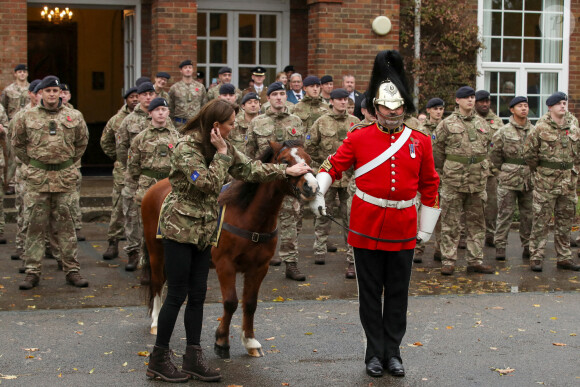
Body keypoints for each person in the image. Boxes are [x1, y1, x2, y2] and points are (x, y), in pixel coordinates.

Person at [147, 99, 311, 382]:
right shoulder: (187, 148)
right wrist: (223, 153)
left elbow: (251, 170)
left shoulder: (224, 148)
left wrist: (286, 171)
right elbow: (208, 183)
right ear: (216, 126)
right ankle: (159, 359)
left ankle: (193, 356)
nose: (235, 128)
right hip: (179, 229)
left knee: (198, 296)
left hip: (205, 230)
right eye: (231, 124)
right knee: (177, 294)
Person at [309, 50, 439, 377]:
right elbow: (333, 165)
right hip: (366, 225)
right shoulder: (359, 136)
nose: (393, 114)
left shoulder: (420, 141)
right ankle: (373, 354)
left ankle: (393, 352)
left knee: (397, 294)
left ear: (404, 108)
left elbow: (430, 183)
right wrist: (319, 191)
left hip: (404, 226)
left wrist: (426, 226)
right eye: (386, 109)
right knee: (369, 295)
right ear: (375, 109)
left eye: (398, 109)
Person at [12, 76, 89, 290]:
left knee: (67, 227)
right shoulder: (26, 116)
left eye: (56, 90)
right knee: (34, 227)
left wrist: (67, 163)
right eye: (48, 91)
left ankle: (72, 271)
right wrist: (33, 164)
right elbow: (16, 143)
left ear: (61, 93)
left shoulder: (74, 116)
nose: (52, 94)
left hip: (64, 179)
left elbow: (82, 143)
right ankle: (32, 272)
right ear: (41, 93)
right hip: (38, 179)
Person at [245, 82, 306, 279]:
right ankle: (256, 260)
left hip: (287, 182)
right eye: (275, 94)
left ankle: (291, 263)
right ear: (268, 98)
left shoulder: (296, 121)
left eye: (282, 94)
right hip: (265, 182)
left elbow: (301, 153)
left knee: (290, 221)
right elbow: (250, 153)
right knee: (259, 222)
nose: (279, 97)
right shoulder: (257, 122)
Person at [432, 86, 495, 276]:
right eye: (466, 97)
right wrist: (449, 169)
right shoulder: (446, 124)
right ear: (457, 101)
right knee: (450, 222)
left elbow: (488, 149)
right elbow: (437, 152)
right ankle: (448, 260)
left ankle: (475, 260)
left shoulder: (483, 124)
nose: (470, 100)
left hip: (477, 181)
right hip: (454, 180)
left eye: (472, 97)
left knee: (476, 222)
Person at [523, 92, 580, 272]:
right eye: (558, 103)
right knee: (541, 220)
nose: (563, 106)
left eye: (564, 103)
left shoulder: (574, 127)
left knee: (565, 221)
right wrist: (542, 170)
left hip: (568, 182)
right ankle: (537, 256)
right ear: (550, 107)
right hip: (546, 182)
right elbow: (530, 154)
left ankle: (564, 256)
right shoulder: (540, 127)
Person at [306, 88, 359, 276]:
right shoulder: (321, 122)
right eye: (340, 99)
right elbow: (310, 145)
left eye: (346, 99)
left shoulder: (355, 123)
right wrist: (322, 166)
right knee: (322, 212)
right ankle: (320, 249)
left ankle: (352, 257)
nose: (343, 102)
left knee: (351, 217)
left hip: (350, 177)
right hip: (328, 175)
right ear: (332, 101)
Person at [117, 81, 157, 271]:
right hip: (135, 177)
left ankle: (150, 256)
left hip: (157, 178)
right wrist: (133, 168)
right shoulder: (128, 120)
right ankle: (133, 253)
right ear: (138, 97)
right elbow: (121, 148)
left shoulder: (162, 117)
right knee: (132, 217)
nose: (148, 97)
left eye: (151, 94)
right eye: (144, 94)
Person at [489, 96, 534, 261]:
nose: (524, 109)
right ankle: (500, 245)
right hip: (508, 179)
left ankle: (528, 246)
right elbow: (493, 155)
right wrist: (499, 173)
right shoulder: (503, 131)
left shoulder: (534, 131)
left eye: (526, 106)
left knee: (528, 215)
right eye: (520, 106)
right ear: (512, 110)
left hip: (528, 180)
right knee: (505, 214)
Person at [100, 86, 139, 260]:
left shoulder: (149, 117)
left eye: (138, 96)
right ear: (126, 99)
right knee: (118, 207)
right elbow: (106, 141)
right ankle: (113, 242)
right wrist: (118, 158)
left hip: (142, 171)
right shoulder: (116, 120)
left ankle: (137, 248)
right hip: (123, 170)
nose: (135, 99)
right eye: (132, 97)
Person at [413, 98, 445, 263]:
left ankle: (440, 248)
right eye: (435, 109)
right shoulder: (420, 130)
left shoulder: (447, 128)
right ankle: (418, 248)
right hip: (424, 176)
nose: (438, 112)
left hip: (444, 176)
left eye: (441, 109)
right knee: (421, 212)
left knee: (441, 214)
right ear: (428, 111)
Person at [474, 90, 503, 247]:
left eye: (487, 101)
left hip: (491, 171)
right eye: (481, 101)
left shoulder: (497, 121)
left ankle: (490, 234)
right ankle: (467, 235)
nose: (485, 104)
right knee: (473, 205)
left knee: (492, 205)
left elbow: (501, 145)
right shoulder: (470, 119)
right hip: (473, 171)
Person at [168, 59, 208, 130]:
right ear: (181, 70)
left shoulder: (200, 87)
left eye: (190, 67)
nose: (188, 69)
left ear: (193, 70)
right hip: (179, 124)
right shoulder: (174, 88)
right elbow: (171, 107)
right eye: (185, 68)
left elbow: (204, 106)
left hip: (195, 124)